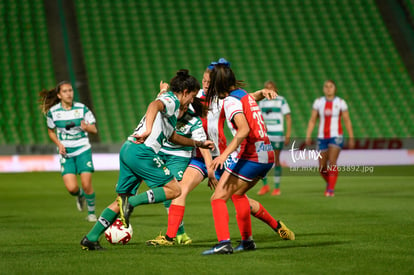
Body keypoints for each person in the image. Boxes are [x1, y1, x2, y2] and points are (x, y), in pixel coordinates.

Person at [146, 59, 294, 248]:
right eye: (204, 81)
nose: (206, 85)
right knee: (180, 190)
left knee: (237, 197)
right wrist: (164, 93)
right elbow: (176, 102)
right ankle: (169, 238)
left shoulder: (223, 99)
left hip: (222, 157)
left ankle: (275, 225)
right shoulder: (195, 96)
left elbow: (245, 98)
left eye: (209, 82)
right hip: (201, 157)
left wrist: (261, 93)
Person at [80, 70, 214, 250]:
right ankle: (132, 203)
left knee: (121, 199)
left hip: (128, 149)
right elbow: (154, 105)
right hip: (142, 152)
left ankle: (91, 237)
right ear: (185, 91)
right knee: (175, 190)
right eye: (191, 96)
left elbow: (173, 136)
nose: (192, 100)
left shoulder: (173, 109)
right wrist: (149, 129)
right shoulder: (172, 100)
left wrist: (198, 143)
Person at [201, 62, 294, 255]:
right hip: (266, 154)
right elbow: (251, 98)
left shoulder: (230, 101)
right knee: (237, 195)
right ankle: (247, 241)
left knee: (217, 198)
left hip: (252, 155)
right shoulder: (241, 96)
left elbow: (243, 130)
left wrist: (223, 155)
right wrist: (262, 92)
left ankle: (223, 243)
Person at [39, 81, 98, 222]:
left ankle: (91, 213)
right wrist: (59, 144)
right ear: (59, 95)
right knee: (72, 188)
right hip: (66, 152)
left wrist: (86, 127)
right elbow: (51, 132)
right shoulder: (53, 112)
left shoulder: (82, 109)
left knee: (86, 183)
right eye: (65, 91)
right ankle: (79, 195)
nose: (69, 93)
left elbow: (94, 130)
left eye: (70, 90)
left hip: (83, 149)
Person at [305, 80, 354, 197]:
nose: (328, 89)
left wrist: (351, 137)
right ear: (323, 89)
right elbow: (313, 120)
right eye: (326, 86)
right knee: (322, 167)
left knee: (332, 161)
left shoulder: (341, 102)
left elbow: (347, 120)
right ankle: (330, 182)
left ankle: (330, 189)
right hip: (322, 137)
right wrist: (308, 135)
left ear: (335, 89)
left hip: (336, 136)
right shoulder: (318, 102)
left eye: (330, 86)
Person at [257, 81, 291, 196]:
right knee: (262, 160)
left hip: (277, 134)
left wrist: (287, 134)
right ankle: (265, 185)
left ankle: (277, 187)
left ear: (275, 89)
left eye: (271, 88)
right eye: (266, 88)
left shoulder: (281, 100)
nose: (269, 90)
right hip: (265, 135)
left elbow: (288, 117)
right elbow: (259, 118)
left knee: (276, 160)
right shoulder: (262, 102)